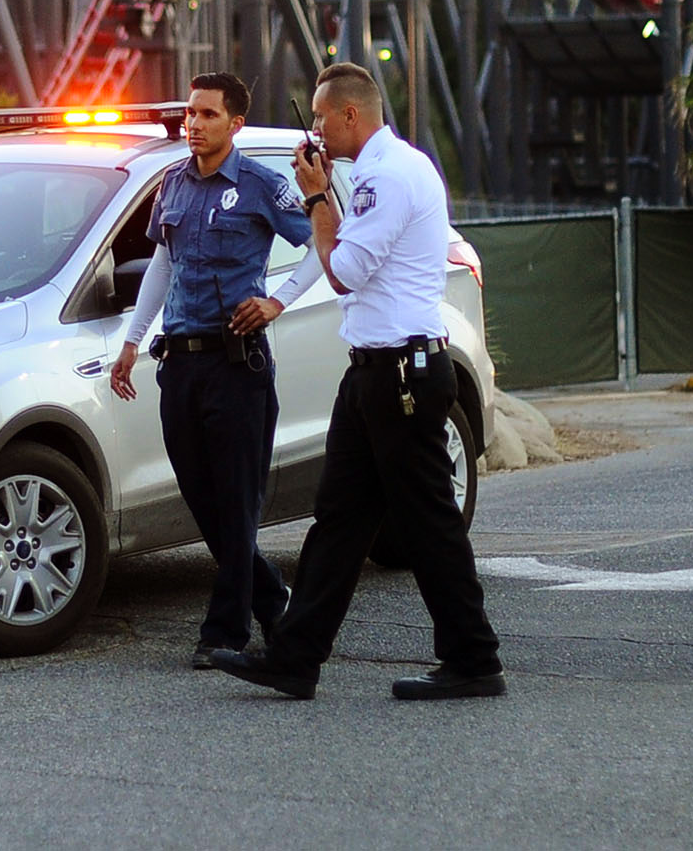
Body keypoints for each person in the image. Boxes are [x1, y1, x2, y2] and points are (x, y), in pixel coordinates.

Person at [211, 61, 506, 702]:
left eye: (320, 116)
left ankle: (474, 659)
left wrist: (318, 197)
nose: (314, 128)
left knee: (428, 523)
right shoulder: (389, 169)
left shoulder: (384, 176)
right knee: (340, 520)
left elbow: (343, 270)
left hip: (400, 373)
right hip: (375, 371)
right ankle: (295, 656)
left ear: (351, 116)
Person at [107, 72, 315, 668]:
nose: (194, 124)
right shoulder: (172, 182)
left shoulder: (260, 185)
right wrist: (131, 341)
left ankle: (224, 631)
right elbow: (162, 264)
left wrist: (277, 301)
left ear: (235, 124)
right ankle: (277, 607)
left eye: (207, 115)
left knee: (236, 501)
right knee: (202, 497)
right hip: (181, 365)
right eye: (191, 114)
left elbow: (323, 246)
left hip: (237, 366)